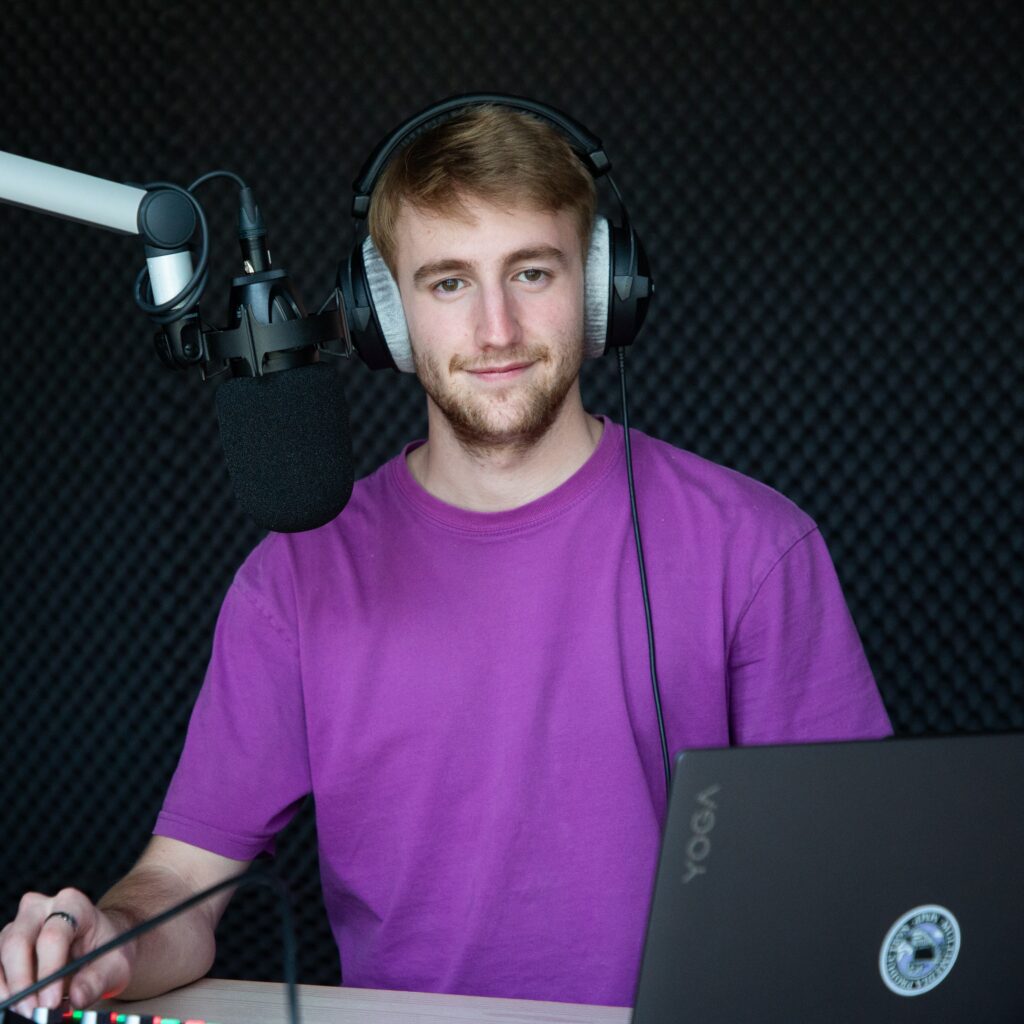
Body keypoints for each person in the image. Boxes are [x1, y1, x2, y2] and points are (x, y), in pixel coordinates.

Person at [0, 99, 891, 1012]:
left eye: (532, 272)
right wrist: (107, 940)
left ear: (601, 290)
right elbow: (181, 883)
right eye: (449, 283)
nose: (497, 329)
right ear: (383, 315)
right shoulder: (296, 578)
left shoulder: (755, 548)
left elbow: (851, 877)